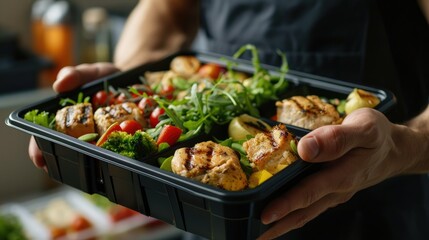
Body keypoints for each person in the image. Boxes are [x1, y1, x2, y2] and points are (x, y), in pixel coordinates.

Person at [28, 0, 429, 239]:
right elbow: (166, 11)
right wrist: (129, 81)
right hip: (206, 208)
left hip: (375, 207)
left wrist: (404, 145)